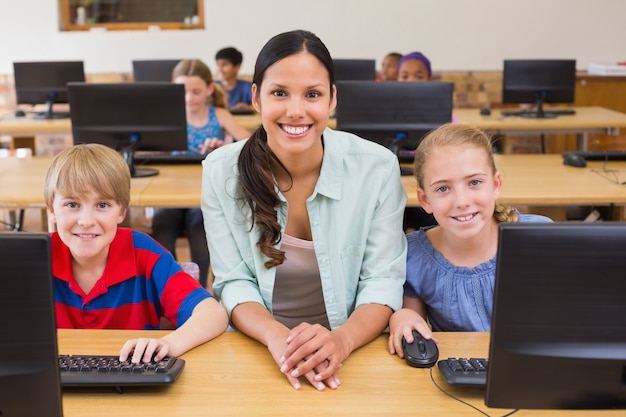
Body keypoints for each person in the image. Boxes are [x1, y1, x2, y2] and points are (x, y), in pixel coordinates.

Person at [201, 30, 407, 391]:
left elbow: (382, 280)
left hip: (355, 347)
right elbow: (233, 281)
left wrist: (340, 341)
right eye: (279, 93)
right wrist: (277, 336)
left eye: (312, 94)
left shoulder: (378, 168)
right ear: (256, 98)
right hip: (258, 347)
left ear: (331, 100)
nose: (296, 111)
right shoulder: (220, 171)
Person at [44, 143, 229, 364]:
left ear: (122, 211)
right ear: (52, 210)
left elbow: (213, 314)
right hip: (57, 388)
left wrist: (170, 343)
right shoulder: (36, 257)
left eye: (102, 205)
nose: (86, 221)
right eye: (72, 204)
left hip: (134, 387)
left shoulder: (143, 253)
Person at [388, 123, 552, 358]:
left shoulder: (539, 238)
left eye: (474, 182)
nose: (462, 201)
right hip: (459, 379)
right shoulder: (414, 256)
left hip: (533, 370)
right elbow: (413, 322)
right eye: (443, 188)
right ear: (425, 199)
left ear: (496, 185)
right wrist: (402, 316)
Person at [151, 59, 250, 288]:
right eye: (183, 92)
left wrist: (224, 148)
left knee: (201, 230)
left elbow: (251, 144)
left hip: (203, 192)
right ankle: (168, 289)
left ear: (209, 89)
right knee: (162, 227)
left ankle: (200, 290)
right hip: (168, 192)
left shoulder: (220, 115)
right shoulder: (166, 116)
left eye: (196, 92)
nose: (188, 98)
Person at [215, 47, 254, 112]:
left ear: (237, 67)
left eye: (224, 65)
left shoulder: (247, 87)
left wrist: (248, 107)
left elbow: (261, 105)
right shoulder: (212, 87)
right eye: (218, 65)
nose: (219, 69)